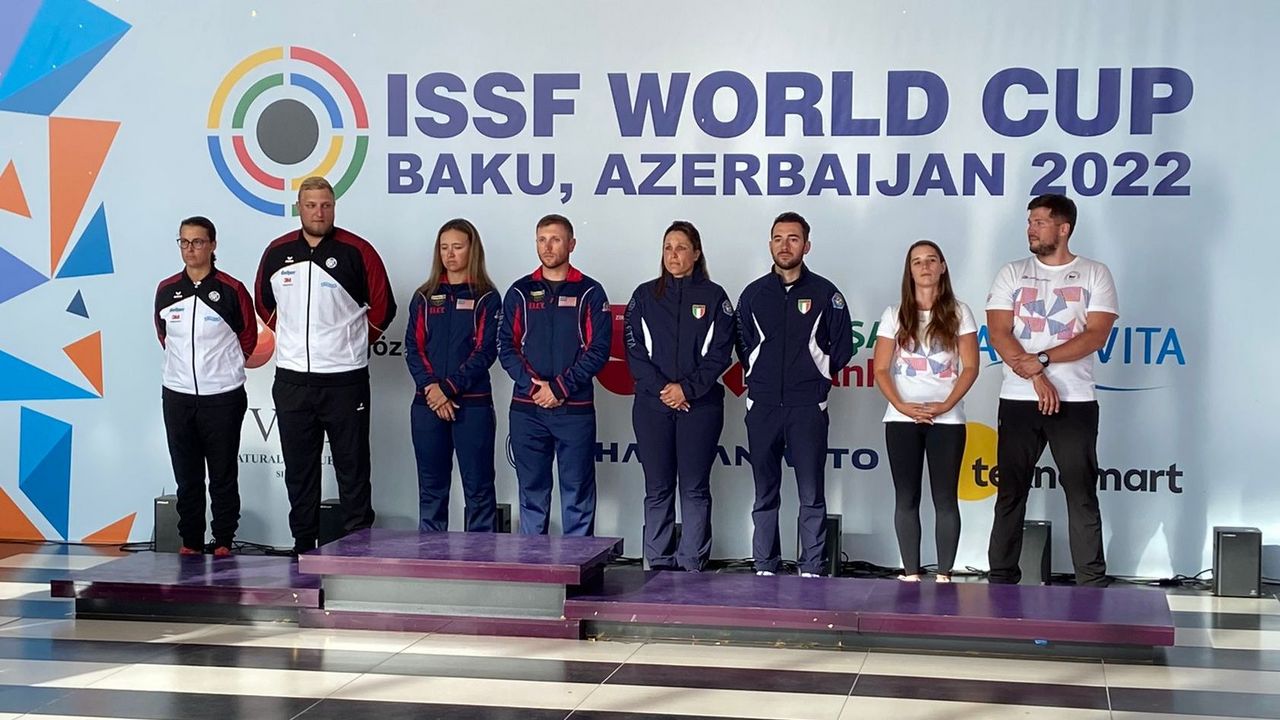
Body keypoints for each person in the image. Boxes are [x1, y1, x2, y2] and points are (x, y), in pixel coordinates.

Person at [254, 177, 397, 555]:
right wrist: (294, 343)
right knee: (300, 471)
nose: (319, 212)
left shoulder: (358, 251)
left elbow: (383, 308)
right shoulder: (276, 252)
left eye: (326, 205)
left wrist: (348, 346)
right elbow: (265, 305)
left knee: (352, 467)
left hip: (344, 382)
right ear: (298, 207)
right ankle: (303, 547)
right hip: (292, 381)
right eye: (311, 205)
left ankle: (358, 550)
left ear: (334, 207)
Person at [985, 194, 1119, 587]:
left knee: (1080, 493)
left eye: (1040, 222)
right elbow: (998, 332)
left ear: (1064, 228)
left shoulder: (1095, 273)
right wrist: (1036, 376)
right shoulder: (1012, 272)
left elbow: (1096, 335)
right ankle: (1000, 579)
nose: (1031, 228)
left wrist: (1041, 360)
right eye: (1029, 221)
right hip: (1019, 398)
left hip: (1075, 401)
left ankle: (1091, 584)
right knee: (1011, 493)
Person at [735, 211, 853, 576]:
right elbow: (742, 345)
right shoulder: (753, 294)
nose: (785, 246)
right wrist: (759, 377)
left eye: (793, 238)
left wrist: (815, 378)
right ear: (770, 244)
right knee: (765, 492)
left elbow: (843, 348)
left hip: (807, 407)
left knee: (811, 494)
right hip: (764, 405)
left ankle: (812, 567)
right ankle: (765, 565)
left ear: (807, 245)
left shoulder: (825, 294)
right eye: (778, 238)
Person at [624, 221, 734, 571]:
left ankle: (691, 564)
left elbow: (721, 352)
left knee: (694, 487)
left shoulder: (715, 297)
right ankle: (656, 560)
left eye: (681, 247)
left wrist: (686, 389)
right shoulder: (644, 296)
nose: (673, 254)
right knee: (657, 487)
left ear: (696, 253)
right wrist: (664, 390)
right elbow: (634, 351)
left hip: (699, 407)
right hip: (651, 406)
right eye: (668, 247)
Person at [498, 214, 611, 536]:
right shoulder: (520, 291)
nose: (548, 246)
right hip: (527, 410)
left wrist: (560, 387)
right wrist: (534, 387)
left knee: (577, 493)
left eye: (556, 239)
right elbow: (505, 346)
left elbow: (598, 350)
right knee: (532, 491)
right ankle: (535, 573)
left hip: (573, 411)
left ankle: (578, 572)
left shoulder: (590, 292)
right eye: (542, 239)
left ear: (572, 244)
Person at [873, 240, 979, 582]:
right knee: (906, 497)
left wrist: (946, 405)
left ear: (943, 267)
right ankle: (911, 573)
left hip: (946, 420)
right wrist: (902, 406)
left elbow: (970, 367)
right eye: (917, 261)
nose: (925, 266)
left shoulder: (960, 312)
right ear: (910, 270)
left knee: (945, 498)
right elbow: (880, 369)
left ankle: (945, 573)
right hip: (902, 419)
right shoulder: (893, 314)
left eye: (931, 260)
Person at [154, 216, 255, 556]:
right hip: (178, 396)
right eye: (183, 242)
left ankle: (224, 538)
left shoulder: (231, 289)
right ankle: (191, 541)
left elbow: (249, 339)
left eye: (197, 242)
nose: (190, 249)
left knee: (223, 473)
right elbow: (164, 336)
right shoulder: (167, 290)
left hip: (222, 397)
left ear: (213, 245)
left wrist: (221, 371)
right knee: (187, 474)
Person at [404, 218, 500, 532]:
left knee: (479, 489)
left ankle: (481, 564)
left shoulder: (487, 297)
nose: (450, 254)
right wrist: (433, 389)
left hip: (471, 406)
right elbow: (413, 348)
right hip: (428, 406)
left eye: (457, 247)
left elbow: (485, 351)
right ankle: (432, 563)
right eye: (444, 248)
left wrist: (448, 388)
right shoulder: (423, 295)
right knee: (431, 489)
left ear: (472, 250)